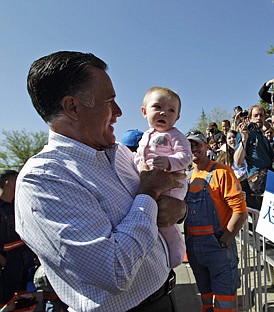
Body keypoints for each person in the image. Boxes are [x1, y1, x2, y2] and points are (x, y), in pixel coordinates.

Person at [16, 51, 186, 311]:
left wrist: (180, 210)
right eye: (110, 101)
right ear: (72, 107)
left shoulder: (119, 154)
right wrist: (148, 194)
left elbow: (163, 207)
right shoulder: (43, 180)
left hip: (166, 297)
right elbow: (113, 271)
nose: (119, 112)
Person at [185, 130, 248, 312]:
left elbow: (240, 212)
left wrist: (224, 241)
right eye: (189, 144)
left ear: (206, 146)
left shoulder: (222, 172)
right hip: (195, 251)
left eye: (197, 143)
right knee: (206, 302)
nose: (194, 148)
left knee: (224, 303)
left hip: (218, 249)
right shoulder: (186, 178)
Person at [134, 86, 191, 268]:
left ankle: (175, 254)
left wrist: (169, 162)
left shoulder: (175, 136)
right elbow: (139, 155)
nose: (164, 113)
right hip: (150, 182)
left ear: (177, 117)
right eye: (157, 107)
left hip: (171, 185)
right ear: (144, 111)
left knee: (165, 220)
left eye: (171, 110)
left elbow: (186, 156)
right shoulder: (145, 136)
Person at [0, 170, 37, 306]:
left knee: (26, 302)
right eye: (17, 179)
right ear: (7, 183)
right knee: (6, 302)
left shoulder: (20, 204)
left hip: (25, 261)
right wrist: (5, 262)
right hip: (8, 264)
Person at [234, 104, 274, 209]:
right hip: (256, 180)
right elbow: (238, 161)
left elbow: (273, 158)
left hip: (270, 178)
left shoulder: (263, 135)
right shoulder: (245, 134)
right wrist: (244, 139)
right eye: (255, 115)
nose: (258, 118)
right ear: (249, 118)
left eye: (261, 115)